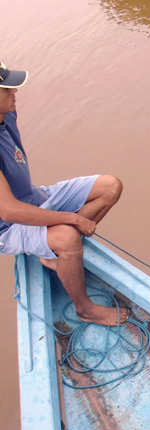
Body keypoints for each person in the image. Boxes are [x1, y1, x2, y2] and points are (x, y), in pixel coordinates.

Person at [0, 61, 128, 326]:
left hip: (33, 197)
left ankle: (50, 251)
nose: (15, 94)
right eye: (7, 90)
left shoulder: (6, 114)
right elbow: (9, 210)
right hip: (8, 225)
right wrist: (72, 219)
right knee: (68, 237)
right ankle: (85, 308)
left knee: (110, 186)